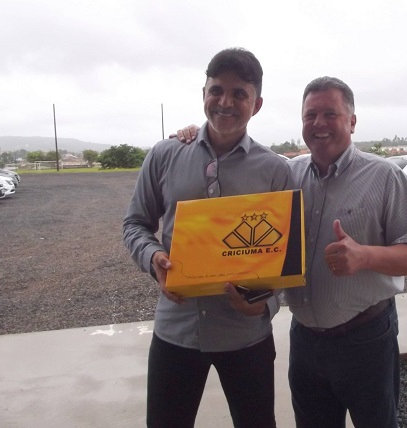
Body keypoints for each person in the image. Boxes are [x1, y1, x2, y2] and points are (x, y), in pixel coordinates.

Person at [175, 76, 407, 428]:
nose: (319, 124)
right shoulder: (287, 175)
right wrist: (194, 136)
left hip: (366, 339)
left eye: (330, 114)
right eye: (310, 116)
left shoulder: (385, 177)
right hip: (306, 340)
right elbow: (264, 248)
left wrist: (365, 256)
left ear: (352, 121)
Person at [123, 47, 292, 428]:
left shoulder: (275, 171)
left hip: (246, 335)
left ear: (257, 103)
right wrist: (153, 259)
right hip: (176, 331)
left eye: (239, 94)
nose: (225, 102)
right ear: (203, 95)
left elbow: (286, 255)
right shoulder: (165, 155)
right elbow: (135, 224)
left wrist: (265, 306)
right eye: (216, 90)